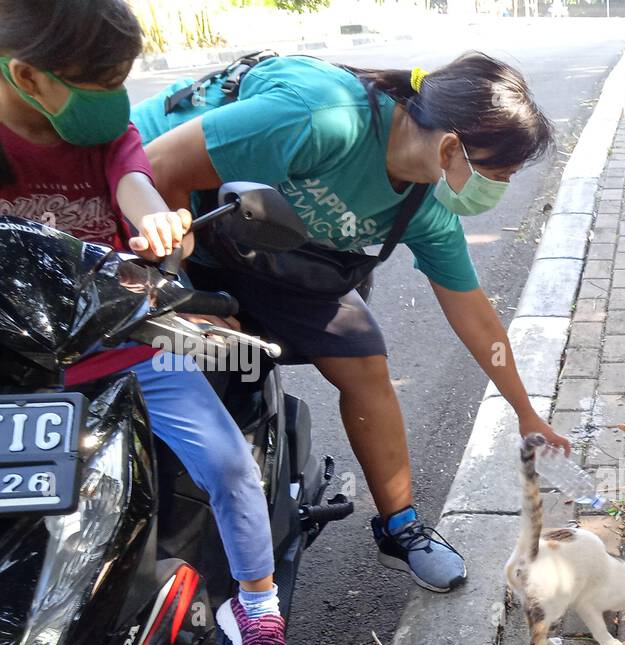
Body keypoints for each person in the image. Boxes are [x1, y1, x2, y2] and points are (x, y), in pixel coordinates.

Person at [134, 51, 571, 595]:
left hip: (267, 246)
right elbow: (159, 167)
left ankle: (401, 528)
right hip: (161, 215)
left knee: (366, 363)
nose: (496, 191)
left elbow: (477, 318)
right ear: (452, 148)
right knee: (153, 362)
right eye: (496, 176)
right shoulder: (322, 118)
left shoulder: (425, 207)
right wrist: (173, 290)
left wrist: (526, 413)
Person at [0, 0, 291, 645]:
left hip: (126, 339)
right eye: (96, 81)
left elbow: (138, 188)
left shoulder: (106, 135)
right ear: (27, 76)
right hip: (22, 360)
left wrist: (161, 227)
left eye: (118, 78)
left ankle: (258, 606)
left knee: (227, 466)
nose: (113, 97)